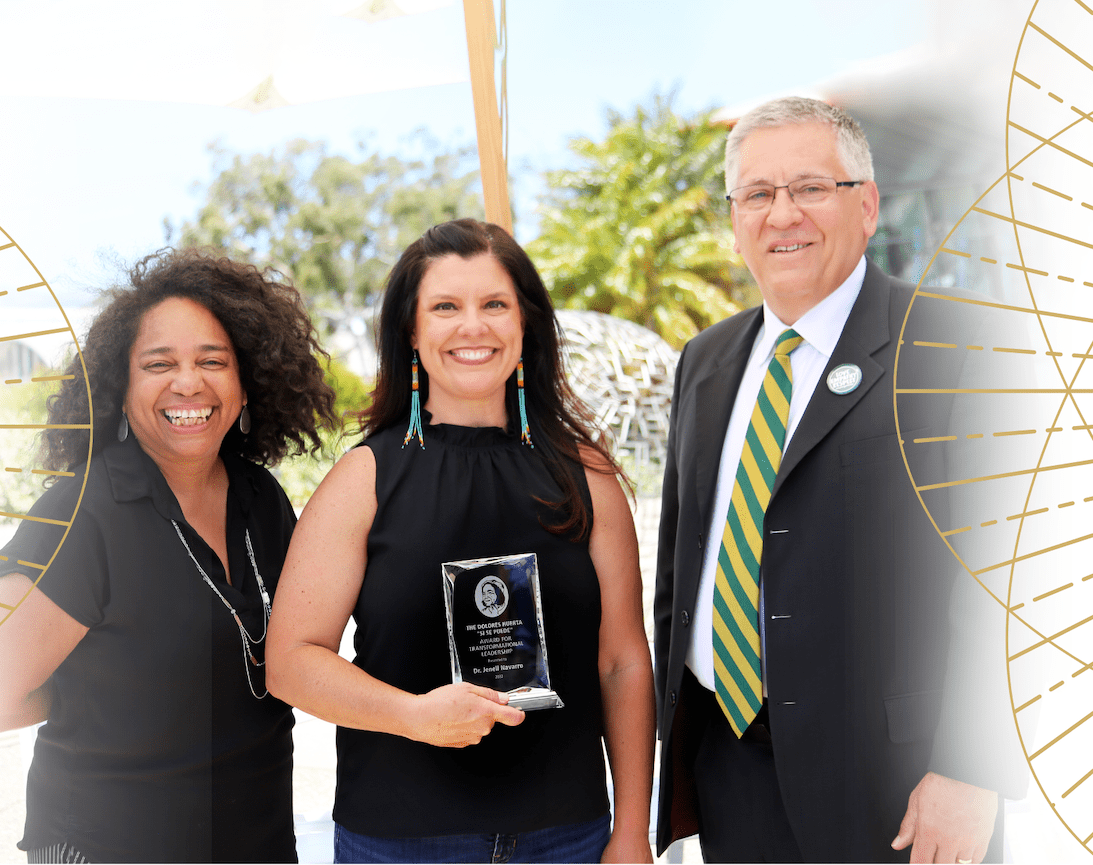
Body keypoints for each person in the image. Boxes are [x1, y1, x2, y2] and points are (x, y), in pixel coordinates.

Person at [652, 97, 1021, 863]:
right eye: (757, 193)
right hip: (733, 771)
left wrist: (971, 769)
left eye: (811, 187)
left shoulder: (960, 347)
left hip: (898, 787)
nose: (782, 213)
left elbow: (1011, 577)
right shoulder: (705, 361)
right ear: (735, 218)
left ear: (867, 204)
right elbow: (684, 559)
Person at [267, 218, 655, 864]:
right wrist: (412, 714)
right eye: (445, 306)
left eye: (494, 304)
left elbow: (622, 662)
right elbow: (290, 661)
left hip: (570, 839)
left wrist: (633, 829)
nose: (472, 326)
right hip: (399, 842)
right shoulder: (363, 479)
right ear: (412, 332)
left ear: (524, 323)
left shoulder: (587, 477)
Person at [0, 249, 335, 862]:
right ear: (121, 385)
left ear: (247, 384)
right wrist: (87, 695)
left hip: (256, 843)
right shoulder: (83, 513)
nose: (188, 383)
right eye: (158, 364)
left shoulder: (261, 499)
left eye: (212, 361)